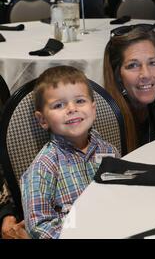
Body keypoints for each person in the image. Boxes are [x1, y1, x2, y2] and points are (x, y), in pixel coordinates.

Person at [20, 66, 120, 239]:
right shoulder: (43, 168)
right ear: (42, 120)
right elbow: (39, 226)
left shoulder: (109, 150)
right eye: (59, 105)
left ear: (93, 108)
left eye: (80, 101)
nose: (72, 109)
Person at [103, 25, 155, 153]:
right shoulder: (106, 124)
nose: (146, 74)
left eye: (153, 63)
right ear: (118, 75)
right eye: (133, 65)